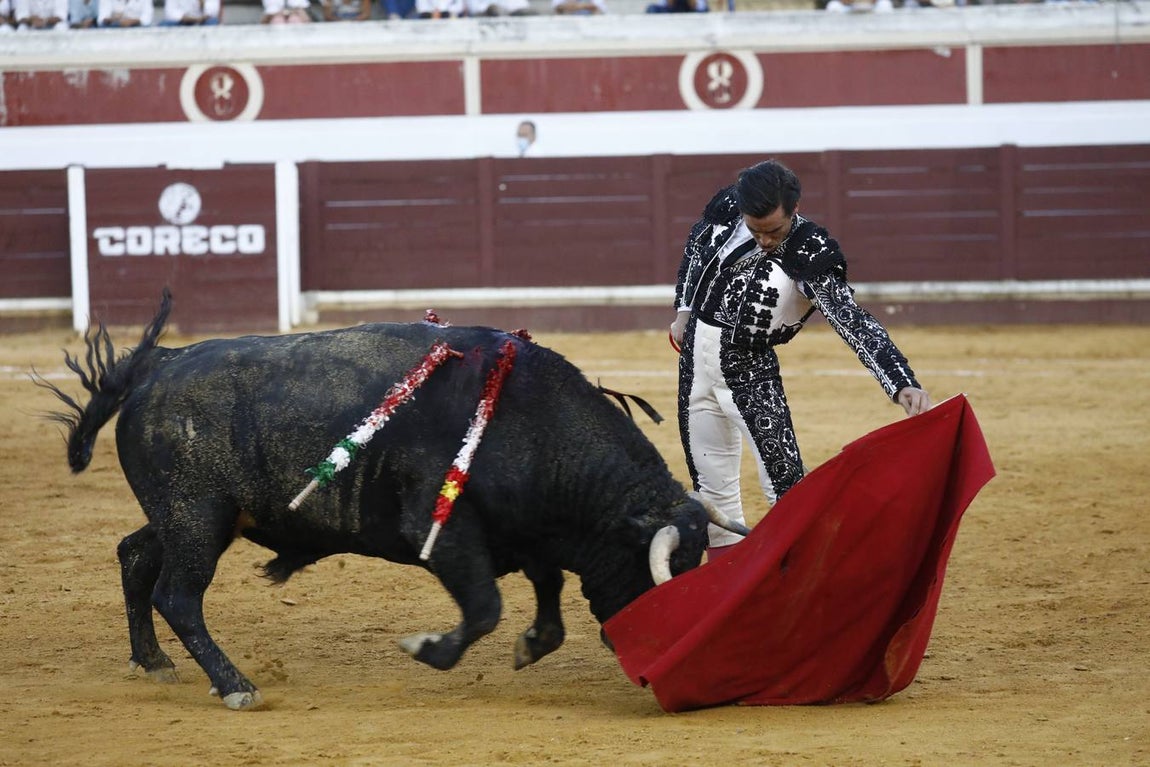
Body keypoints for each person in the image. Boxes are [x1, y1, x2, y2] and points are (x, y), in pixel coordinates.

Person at [671, 159, 931, 559]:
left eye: (774, 231)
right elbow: (696, 245)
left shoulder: (810, 251)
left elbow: (851, 319)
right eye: (755, 229)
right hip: (695, 365)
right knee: (711, 488)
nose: (764, 240)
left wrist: (898, 379)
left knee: (785, 485)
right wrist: (685, 309)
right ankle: (726, 592)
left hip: (750, 370)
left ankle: (800, 585)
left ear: (794, 210)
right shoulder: (728, 205)